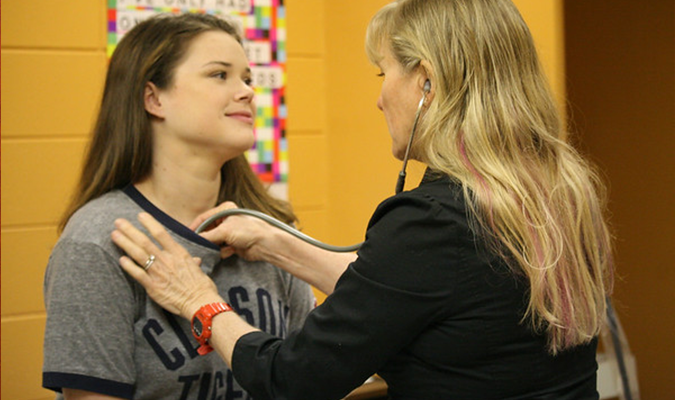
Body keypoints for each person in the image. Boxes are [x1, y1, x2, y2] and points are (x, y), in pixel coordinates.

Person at [111, 0, 615, 399]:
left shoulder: (434, 221)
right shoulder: (558, 193)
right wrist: (275, 244)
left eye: (382, 73)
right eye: (219, 76)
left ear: (427, 83)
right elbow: (411, 292)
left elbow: (292, 380)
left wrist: (198, 299)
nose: (378, 97)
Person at [42, 13, 316, 400]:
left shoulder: (269, 232)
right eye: (220, 75)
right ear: (153, 98)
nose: (247, 93)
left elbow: (314, 379)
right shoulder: (97, 241)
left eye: (247, 79)